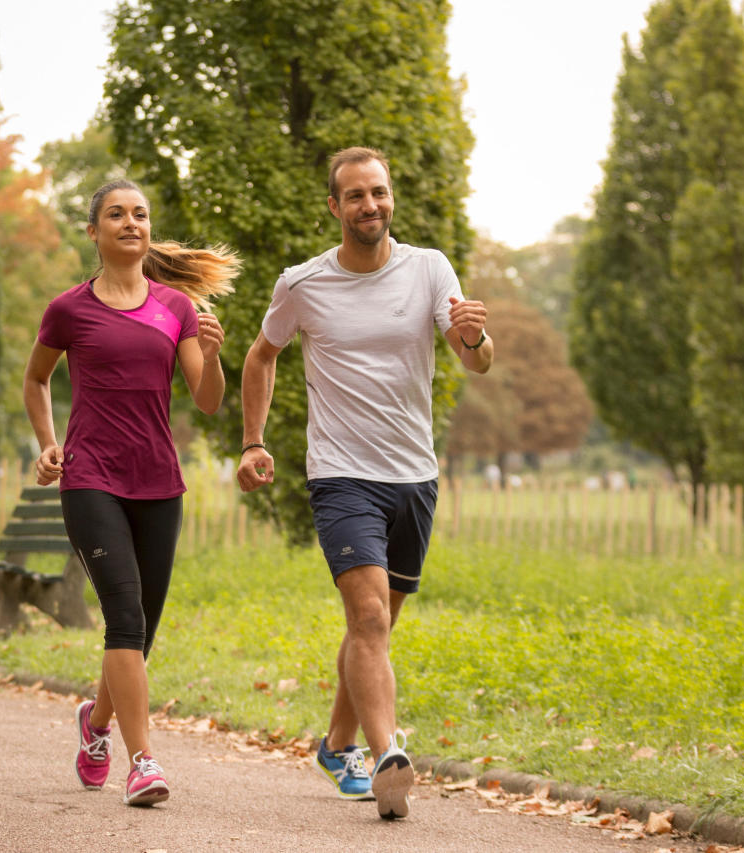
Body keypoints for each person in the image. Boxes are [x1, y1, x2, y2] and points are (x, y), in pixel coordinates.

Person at [235, 147, 493, 820]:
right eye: (354, 195)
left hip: (415, 476)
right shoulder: (304, 283)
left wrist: (475, 338)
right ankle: (388, 755)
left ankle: (337, 743)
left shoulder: (430, 268)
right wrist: (253, 440)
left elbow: (477, 360)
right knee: (369, 616)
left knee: (373, 627)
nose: (369, 205)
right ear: (334, 206)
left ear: (390, 197)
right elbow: (262, 355)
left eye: (378, 191)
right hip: (342, 475)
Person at [23, 179, 237, 807]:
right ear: (94, 232)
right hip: (91, 476)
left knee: (140, 632)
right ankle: (142, 762)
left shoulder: (177, 308)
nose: (130, 222)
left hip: (159, 480)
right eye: (115, 214)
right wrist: (47, 441)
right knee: (123, 612)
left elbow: (207, 398)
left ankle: (95, 727)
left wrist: (216, 355)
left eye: (140, 214)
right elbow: (36, 381)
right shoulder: (69, 309)